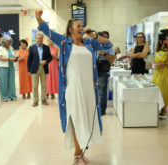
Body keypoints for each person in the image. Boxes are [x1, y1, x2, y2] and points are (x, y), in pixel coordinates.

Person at [35, 10, 112, 165]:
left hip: (89, 88)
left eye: (82, 26)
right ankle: (77, 154)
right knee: (76, 118)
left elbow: (109, 44)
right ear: (71, 30)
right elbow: (46, 30)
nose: (82, 28)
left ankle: (80, 152)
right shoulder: (64, 42)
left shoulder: (90, 43)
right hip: (73, 88)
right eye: (78, 26)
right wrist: (38, 18)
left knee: (86, 118)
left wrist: (95, 36)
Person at [152, 40, 168, 119]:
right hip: (156, 73)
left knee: (163, 92)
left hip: (164, 73)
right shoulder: (158, 50)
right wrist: (154, 63)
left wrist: (163, 64)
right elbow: (156, 61)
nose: (162, 42)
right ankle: (160, 109)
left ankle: (165, 111)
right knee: (157, 91)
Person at [27, 32, 52, 107]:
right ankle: (35, 101)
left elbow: (50, 57)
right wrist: (29, 70)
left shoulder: (46, 47)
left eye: (41, 38)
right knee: (35, 86)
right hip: (34, 68)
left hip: (43, 68)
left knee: (44, 85)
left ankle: (43, 99)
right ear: (35, 39)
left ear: (43, 39)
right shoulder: (32, 48)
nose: (39, 40)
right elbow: (29, 60)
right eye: (38, 38)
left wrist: (46, 61)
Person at [97, 31, 115, 116]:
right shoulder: (93, 45)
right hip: (93, 70)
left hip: (103, 71)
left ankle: (102, 110)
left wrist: (104, 53)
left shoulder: (109, 46)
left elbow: (112, 60)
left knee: (102, 91)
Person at [0, 35, 17, 101]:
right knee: (4, 82)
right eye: (8, 42)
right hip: (3, 66)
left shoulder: (11, 48)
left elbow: (14, 55)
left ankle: (12, 96)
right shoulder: (0, 48)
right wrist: (9, 59)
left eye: (10, 42)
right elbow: (1, 58)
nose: (9, 43)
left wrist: (14, 58)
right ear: (4, 42)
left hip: (11, 66)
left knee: (11, 81)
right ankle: (4, 97)